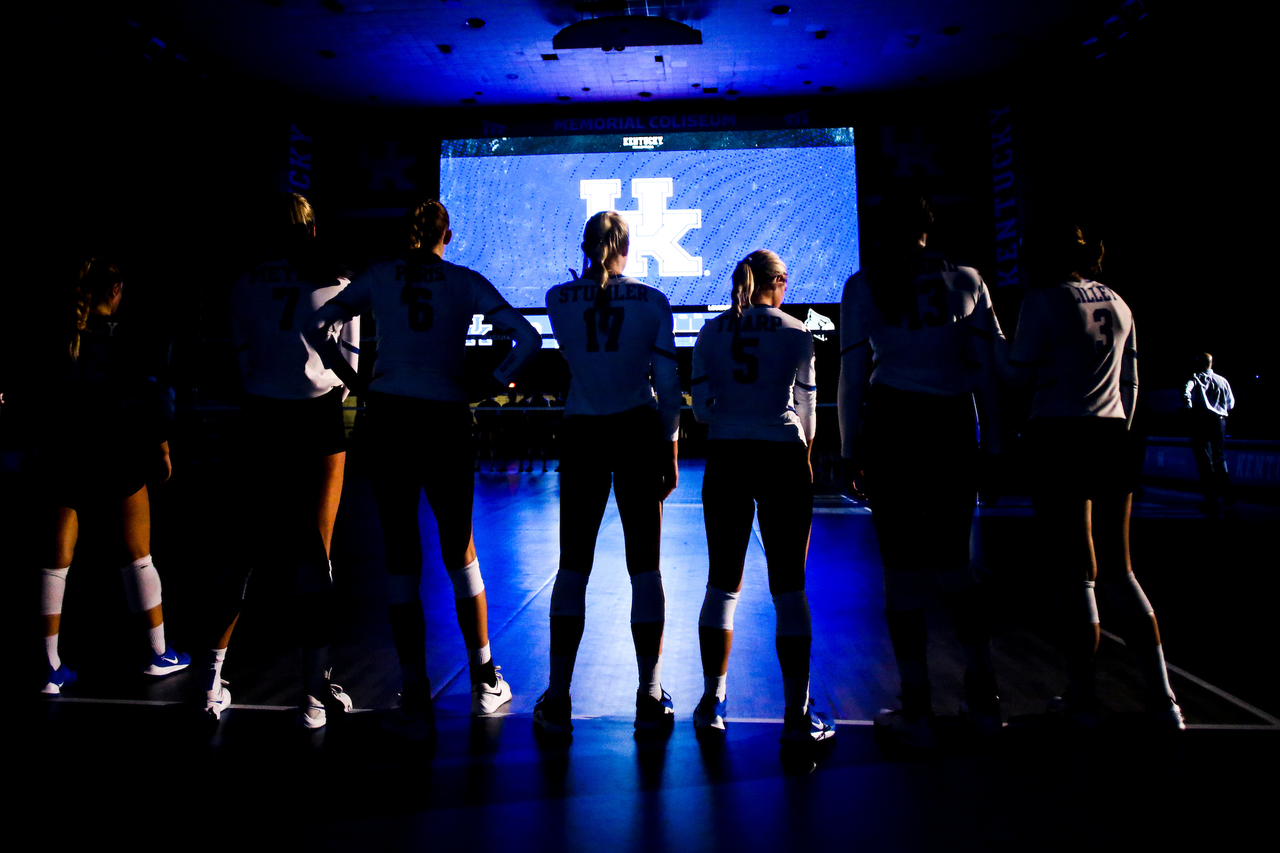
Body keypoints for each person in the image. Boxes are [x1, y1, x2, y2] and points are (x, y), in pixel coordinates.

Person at [306, 199, 540, 738]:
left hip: (388, 416)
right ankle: (484, 681)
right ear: (448, 235)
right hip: (445, 419)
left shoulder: (379, 275)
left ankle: (414, 690)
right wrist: (487, 384)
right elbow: (526, 340)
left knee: (400, 555)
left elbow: (319, 324)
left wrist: (357, 380)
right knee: (460, 549)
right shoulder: (464, 279)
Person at [838, 197, 1004, 747]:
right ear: (929, 232)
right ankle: (985, 699)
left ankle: (917, 710)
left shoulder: (865, 285)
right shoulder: (969, 279)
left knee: (901, 570)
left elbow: (853, 376)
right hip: (953, 425)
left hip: (893, 427)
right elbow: (989, 371)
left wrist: (847, 449)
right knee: (956, 565)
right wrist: (995, 446)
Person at [1009, 223, 1183, 730]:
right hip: (1111, 437)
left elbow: (1018, 374)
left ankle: (1083, 699)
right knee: (1120, 569)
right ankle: (1164, 700)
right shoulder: (1119, 300)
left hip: (1059, 435)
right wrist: (1121, 436)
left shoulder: (1042, 301)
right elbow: (1131, 382)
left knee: (1075, 573)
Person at [204, 192, 360, 726]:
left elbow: (240, 360)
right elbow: (351, 368)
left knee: (238, 554)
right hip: (316, 423)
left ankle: (210, 682)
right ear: (313, 229)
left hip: (259, 420)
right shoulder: (338, 285)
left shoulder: (243, 284)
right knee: (317, 557)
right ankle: (314, 696)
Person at [534, 211, 681, 735]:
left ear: (584, 245)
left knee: (573, 566)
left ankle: (557, 700)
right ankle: (649, 695)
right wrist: (670, 449)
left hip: (583, 433)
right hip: (637, 432)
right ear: (626, 245)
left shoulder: (557, 300)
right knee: (645, 568)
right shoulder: (653, 302)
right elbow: (666, 381)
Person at [690, 249, 835, 749]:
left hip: (727, 455)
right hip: (782, 458)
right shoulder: (797, 333)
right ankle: (797, 716)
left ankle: (712, 703)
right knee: (789, 587)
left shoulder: (711, 333)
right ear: (776, 281)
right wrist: (805, 454)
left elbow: (703, 415)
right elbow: (808, 414)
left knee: (722, 585)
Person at [39, 257, 188, 694]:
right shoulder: (126, 338)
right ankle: (158, 652)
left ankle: (48, 666)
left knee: (54, 563)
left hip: (66, 452)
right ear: (116, 289)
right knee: (137, 555)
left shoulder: (63, 337)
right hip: (116, 452)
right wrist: (161, 450)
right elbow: (153, 398)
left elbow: (40, 397)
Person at [1183, 352, 1234, 515]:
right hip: (1220, 422)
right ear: (1211, 363)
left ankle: (1211, 500)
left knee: (1205, 460)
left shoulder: (1195, 378)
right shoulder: (1223, 380)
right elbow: (1231, 404)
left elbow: (1186, 395)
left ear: (1200, 364)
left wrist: (1190, 407)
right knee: (1219, 457)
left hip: (1201, 421)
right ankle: (1228, 496)